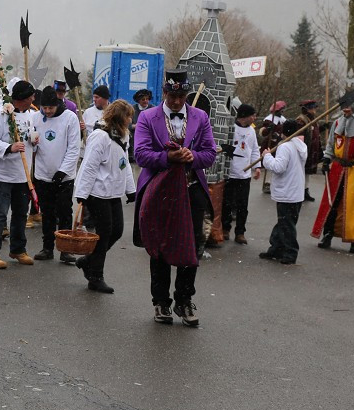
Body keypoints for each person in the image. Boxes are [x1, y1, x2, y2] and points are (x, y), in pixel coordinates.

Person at [133, 68, 217, 326]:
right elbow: (141, 154)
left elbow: (210, 153)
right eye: (173, 97)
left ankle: (184, 300)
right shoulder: (148, 117)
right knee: (159, 247)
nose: (178, 102)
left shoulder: (201, 117)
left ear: (187, 94)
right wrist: (168, 157)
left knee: (190, 248)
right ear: (164, 93)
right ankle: (160, 302)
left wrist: (193, 158)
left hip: (191, 191)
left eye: (182, 97)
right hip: (159, 193)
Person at [73, 99, 136, 293]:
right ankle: (95, 275)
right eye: (128, 116)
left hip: (113, 192)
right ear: (119, 117)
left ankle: (88, 261)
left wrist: (130, 189)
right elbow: (89, 165)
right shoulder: (100, 137)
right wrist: (82, 194)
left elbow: (124, 163)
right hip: (98, 193)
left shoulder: (122, 136)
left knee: (117, 230)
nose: (130, 120)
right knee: (105, 232)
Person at [0, 79, 37, 269]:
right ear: (21, 99)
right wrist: (9, 147)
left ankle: (18, 249)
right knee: (1, 213)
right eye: (30, 97)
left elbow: (30, 135)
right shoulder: (1, 113)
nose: (33, 100)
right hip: (2, 174)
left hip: (22, 173)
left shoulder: (30, 114)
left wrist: (33, 139)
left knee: (21, 213)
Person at [312, 88, 354, 253]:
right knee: (332, 204)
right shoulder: (337, 123)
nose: (345, 109)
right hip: (337, 168)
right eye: (343, 106)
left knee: (353, 207)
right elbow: (331, 145)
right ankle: (327, 234)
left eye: (348, 106)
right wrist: (327, 159)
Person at [30, 86, 81, 262]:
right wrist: (32, 142)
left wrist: (63, 171)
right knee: (47, 213)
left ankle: (65, 249)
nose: (47, 111)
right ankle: (47, 247)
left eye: (50, 108)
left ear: (57, 104)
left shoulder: (70, 118)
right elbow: (33, 147)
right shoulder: (36, 118)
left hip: (64, 176)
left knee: (65, 212)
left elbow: (74, 148)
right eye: (44, 108)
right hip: (43, 174)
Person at [257, 119, 307, 264]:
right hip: (295, 191)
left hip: (287, 191)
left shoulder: (285, 147)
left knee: (287, 224)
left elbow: (278, 168)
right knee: (285, 222)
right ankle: (276, 249)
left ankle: (290, 252)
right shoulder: (300, 146)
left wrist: (266, 157)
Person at [221, 103, 261, 244]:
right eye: (253, 115)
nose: (255, 117)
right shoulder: (232, 128)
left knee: (242, 205)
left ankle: (240, 232)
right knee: (227, 203)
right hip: (231, 173)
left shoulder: (252, 131)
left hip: (245, 175)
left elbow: (255, 150)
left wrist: (257, 167)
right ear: (245, 116)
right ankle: (225, 229)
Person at [295, 99, 322, 202]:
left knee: (307, 172)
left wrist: (323, 128)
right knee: (301, 171)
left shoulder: (313, 119)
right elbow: (300, 135)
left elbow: (314, 133)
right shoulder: (301, 120)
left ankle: (305, 190)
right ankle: (299, 192)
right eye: (313, 107)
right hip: (304, 149)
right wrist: (302, 150)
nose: (315, 109)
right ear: (308, 109)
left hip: (312, 149)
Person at [259, 100, 286, 193]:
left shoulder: (283, 120)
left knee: (276, 164)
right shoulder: (269, 119)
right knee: (268, 163)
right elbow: (262, 132)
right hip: (269, 144)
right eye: (281, 110)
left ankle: (273, 183)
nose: (282, 112)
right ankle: (267, 183)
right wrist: (269, 130)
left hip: (279, 144)